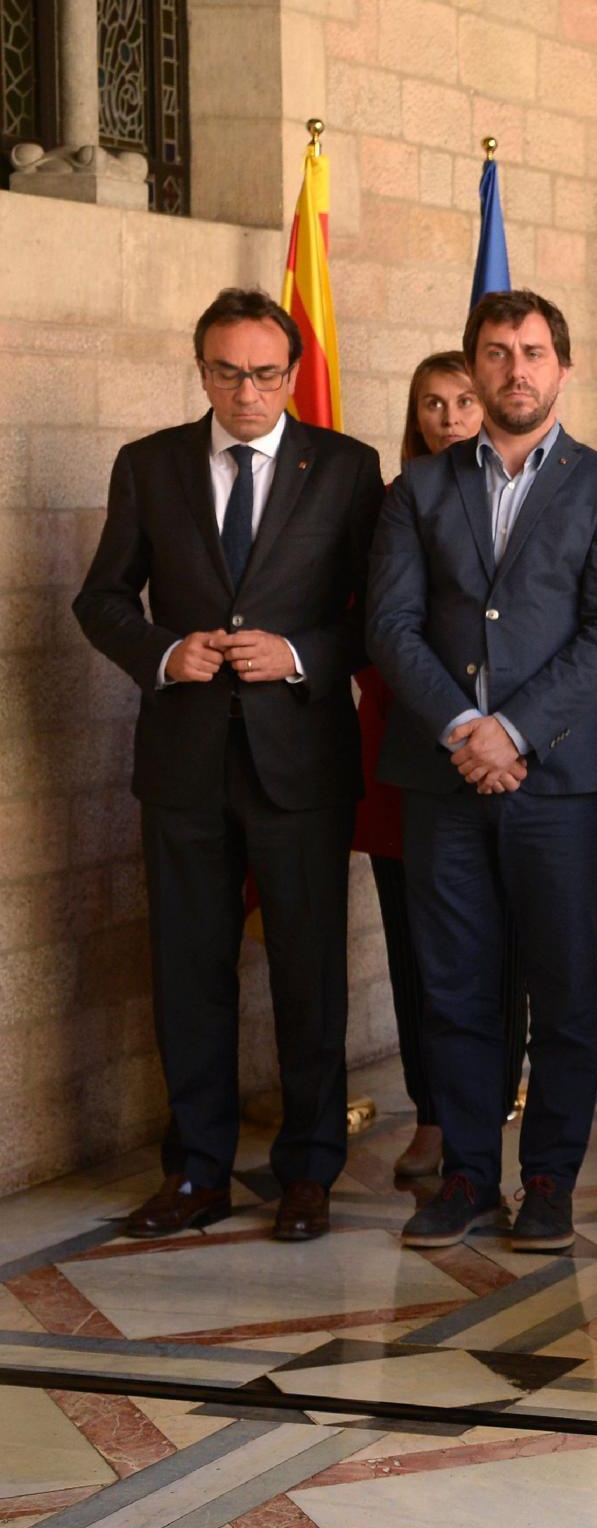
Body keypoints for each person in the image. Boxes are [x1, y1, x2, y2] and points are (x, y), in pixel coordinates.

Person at [72, 287, 385, 1243]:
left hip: (301, 760)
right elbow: (102, 598)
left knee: (307, 972)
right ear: (200, 368)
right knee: (190, 972)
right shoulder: (150, 464)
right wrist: (168, 654)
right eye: (227, 371)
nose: (247, 390)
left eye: (265, 372)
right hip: (185, 762)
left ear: (291, 375)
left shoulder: (345, 467)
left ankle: (308, 1172)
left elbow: (375, 615)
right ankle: (198, 1172)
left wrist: (297, 656)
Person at [369, 289, 597, 1255]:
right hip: (443, 773)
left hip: (561, 779)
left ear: (561, 368)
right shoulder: (419, 489)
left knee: (564, 983)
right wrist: (462, 726)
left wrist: (516, 733)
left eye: (533, 352)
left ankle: (549, 1178)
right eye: (497, 353)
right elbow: (391, 625)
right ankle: (464, 1176)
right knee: (455, 984)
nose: (516, 369)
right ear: (474, 367)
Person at [360, 351, 502, 1185]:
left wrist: (493, 734)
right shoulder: (392, 503)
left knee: (498, 944)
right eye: (431, 404)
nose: (449, 418)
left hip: (507, 756)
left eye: (462, 401)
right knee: (419, 950)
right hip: (406, 750)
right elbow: (377, 627)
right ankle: (435, 1114)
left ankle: (488, 1103)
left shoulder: (521, 500)